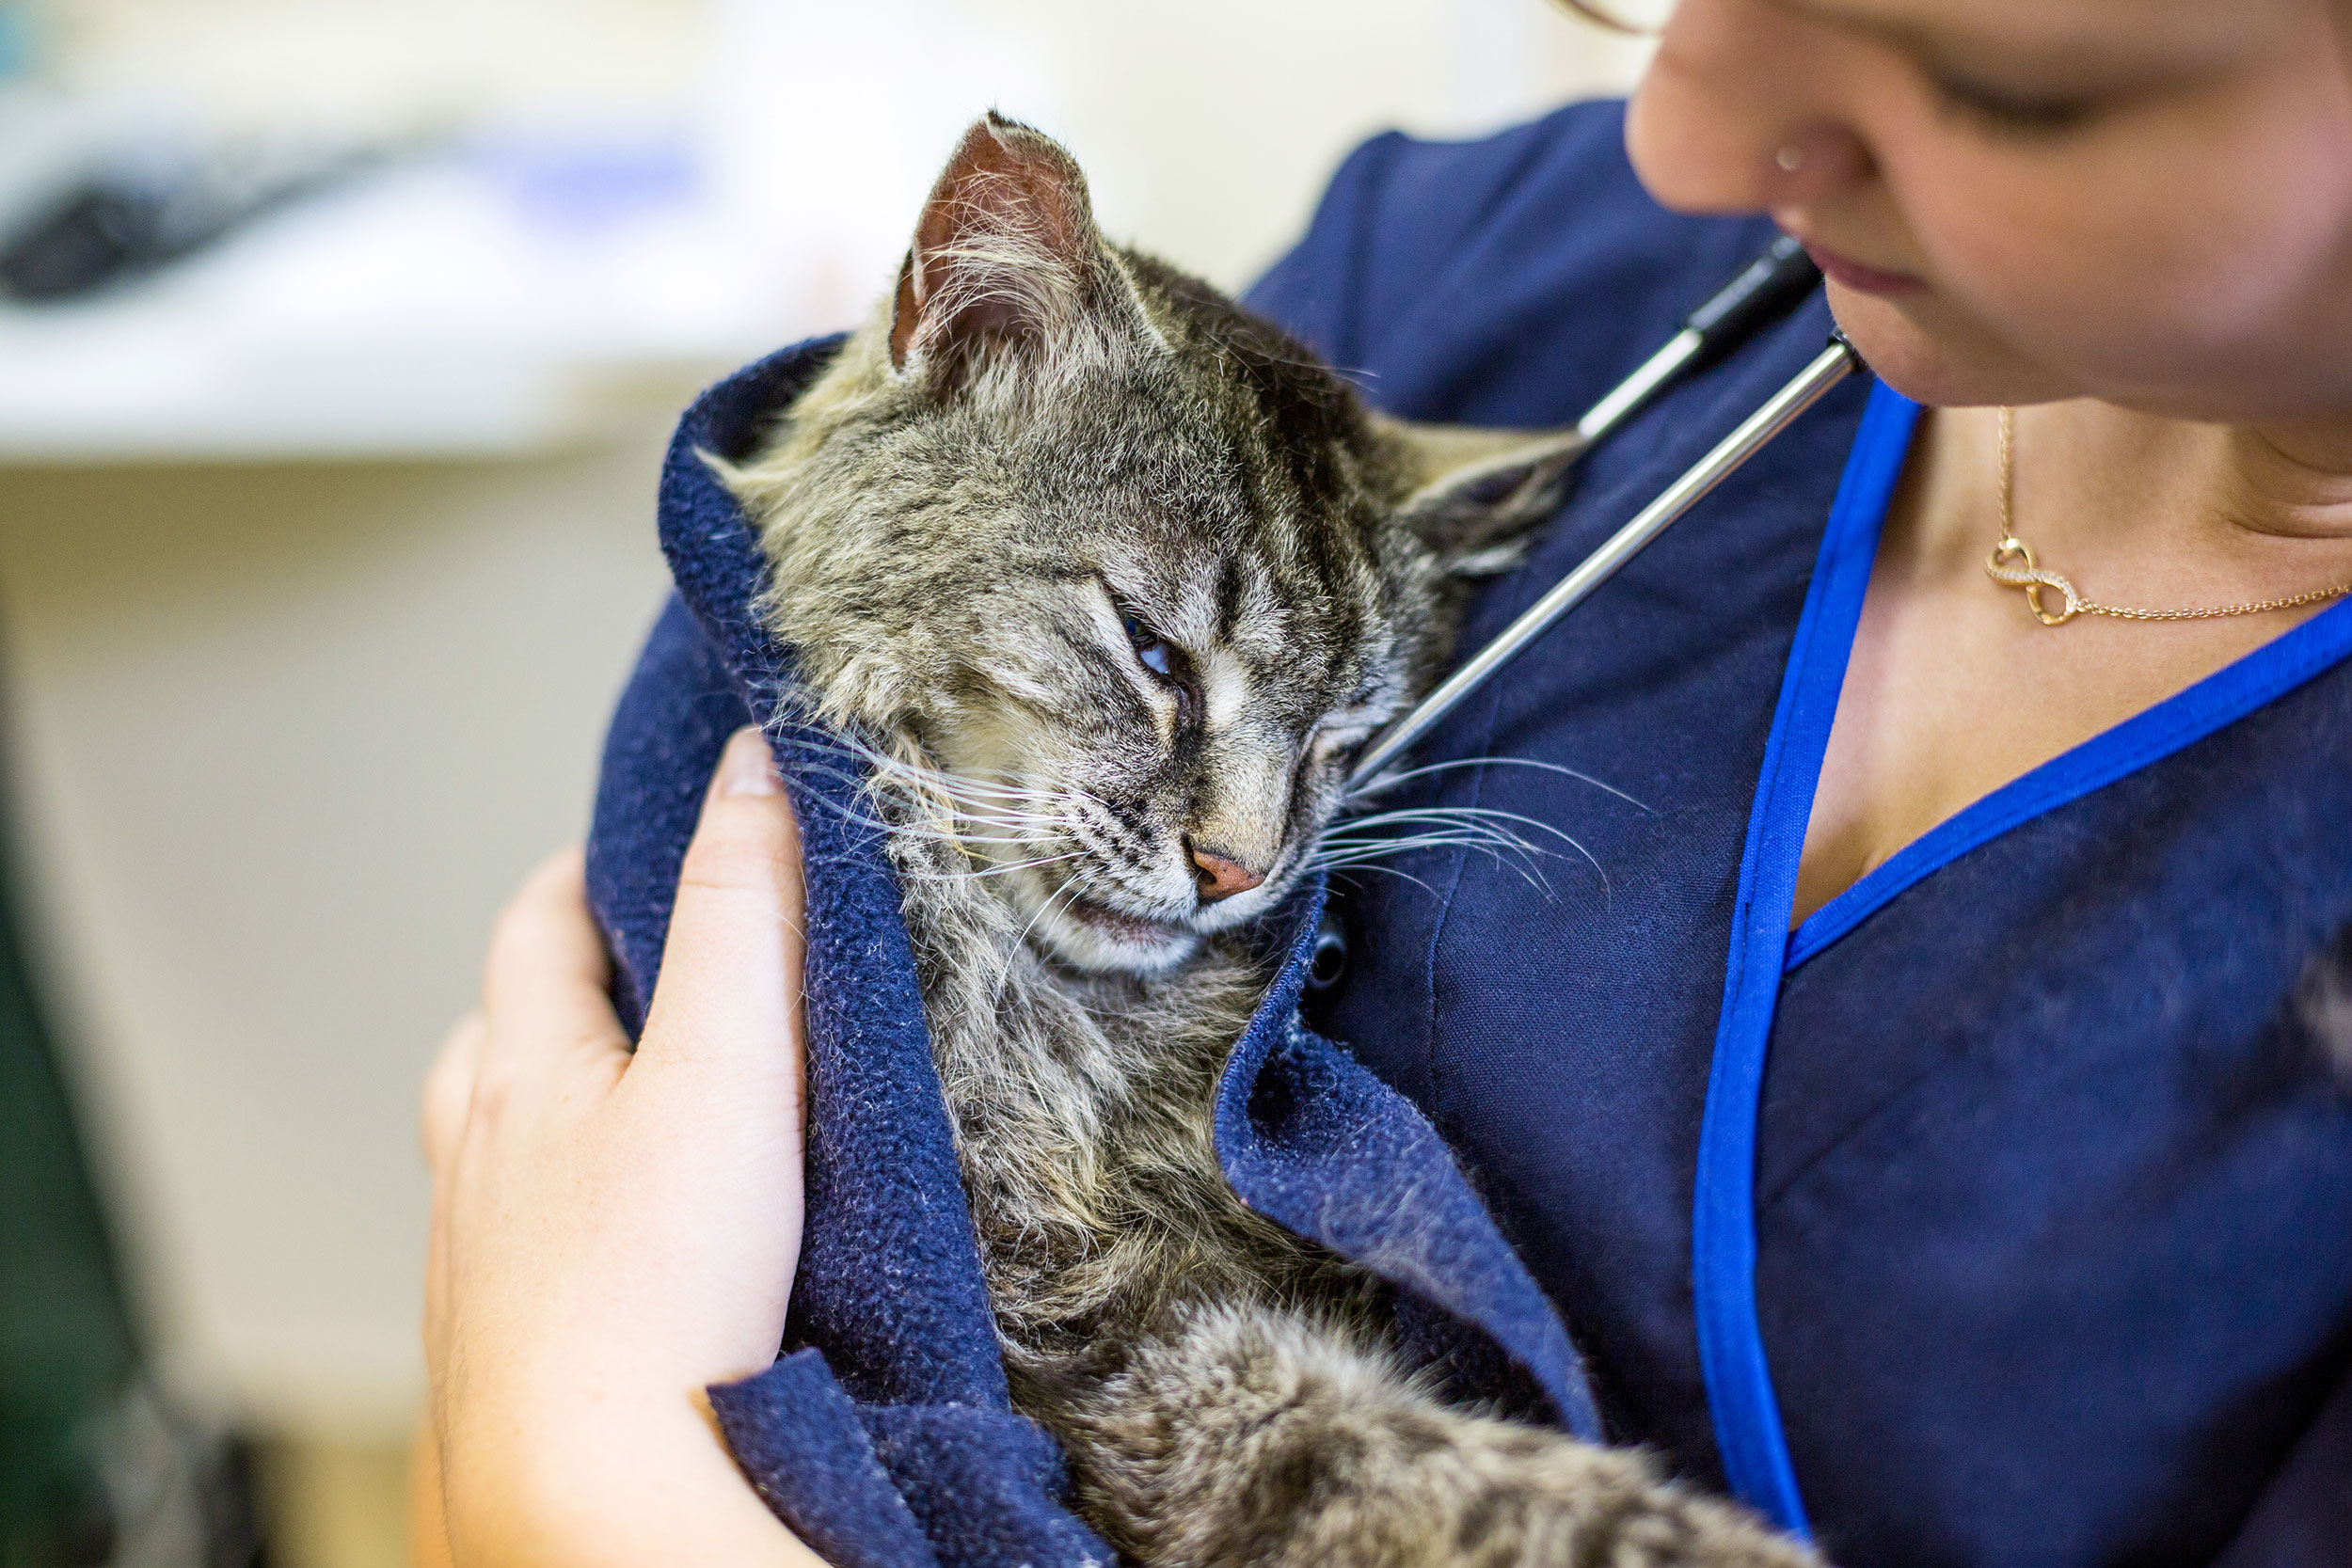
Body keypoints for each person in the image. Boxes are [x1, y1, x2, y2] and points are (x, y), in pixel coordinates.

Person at [415, 0, 2352, 1562]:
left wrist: (580, 1500)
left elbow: (571, 1421)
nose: (1684, 137)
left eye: (1989, 86)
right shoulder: (1463, 276)